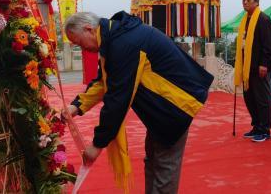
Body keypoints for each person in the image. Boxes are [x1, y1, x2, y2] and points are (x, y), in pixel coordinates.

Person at [64, 11, 213, 193]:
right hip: (160, 108)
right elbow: (104, 81)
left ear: (88, 29)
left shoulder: (124, 43)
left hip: (175, 106)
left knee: (164, 167)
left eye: (79, 43)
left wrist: (98, 144)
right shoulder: (115, 38)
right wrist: (76, 106)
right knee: (152, 160)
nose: (83, 49)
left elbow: (118, 98)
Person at [234, 0, 271, 142]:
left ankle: (265, 129)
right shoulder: (245, 20)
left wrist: (264, 64)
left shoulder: (263, 19)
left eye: (248, 0)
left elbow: (267, 45)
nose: (245, 2)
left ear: (256, 1)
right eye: (243, 0)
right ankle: (256, 125)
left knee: (262, 99)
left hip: (259, 67)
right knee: (249, 98)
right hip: (247, 67)